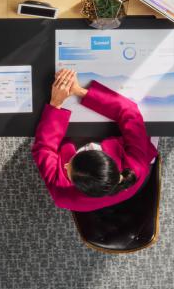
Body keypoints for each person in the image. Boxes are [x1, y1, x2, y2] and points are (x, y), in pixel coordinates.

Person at [32, 69, 157, 212]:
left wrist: (56, 103)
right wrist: (79, 91)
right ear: (101, 155)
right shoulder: (136, 169)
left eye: (68, 170)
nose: (65, 166)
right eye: (71, 162)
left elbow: (44, 148)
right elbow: (130, 112)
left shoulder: (62, 194)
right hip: (131, 152)